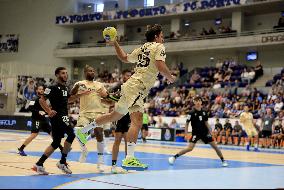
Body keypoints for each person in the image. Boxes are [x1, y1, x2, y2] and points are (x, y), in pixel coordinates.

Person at [75, 24, 176, 170]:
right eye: (162, 35)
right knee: (137, 121)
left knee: (114, 116)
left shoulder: (142, 48)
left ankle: (83, 130)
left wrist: (115, 42)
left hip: (131, 86)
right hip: (138, 87)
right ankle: (130, 158)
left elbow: (123, 57)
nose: (163, 38)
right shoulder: (158, 47)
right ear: (156, 37)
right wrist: (170, 77)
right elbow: (160, 65)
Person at [32, 67, 76, 175]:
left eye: (66, 73)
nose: (65, 75)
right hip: (59, 116)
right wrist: (49, 110)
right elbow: (41, 100)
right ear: (57, 75)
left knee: (56, 142)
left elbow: (69, 99)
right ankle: (62, 162)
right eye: (62, 73)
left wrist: (83, 94)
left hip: (61, 116)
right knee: (71, 134)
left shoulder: (65, 88)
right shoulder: (52, 87)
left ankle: (39, 164)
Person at [70, 65, 110, 172]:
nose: (92, 72)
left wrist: (107, 96)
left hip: (98, 112)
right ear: (85, 72)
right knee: (78, 131)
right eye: (90, 71)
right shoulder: (79, 84)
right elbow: (70, 98)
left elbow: (108, 99)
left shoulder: (99, 85)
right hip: (84, 113)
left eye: (93, 71)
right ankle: (84, 150)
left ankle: (100, 162)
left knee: (99, 134)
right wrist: (78, 92)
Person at [168, 97, 228, 167]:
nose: (198, 102)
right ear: (194, 102)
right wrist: (186, 134)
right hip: (195, 133)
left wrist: (210, 131)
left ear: (201, 102)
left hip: (205, 133)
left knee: (215, 147)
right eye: (196, 101)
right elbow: (187, 123)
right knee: (190, 148)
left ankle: (223, 160)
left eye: (199, 101)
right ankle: (174, 157)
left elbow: (206, 123)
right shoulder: (191, 113)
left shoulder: (204, 112)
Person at [18, 86, 63, 156]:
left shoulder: (44, 99)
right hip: (36, 119)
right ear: (36, 90)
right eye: (40, 89)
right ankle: (21, 149)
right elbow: (30, 108)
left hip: (44, 120)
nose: (41, 90)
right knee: (34, 135)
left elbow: (48, 107)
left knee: (52, 133)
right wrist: (38, 111)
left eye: (42, 89)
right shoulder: (33, 99)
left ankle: (61, 148)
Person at [110, 70, 132, 174]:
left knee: (128, 142)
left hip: (128, 116)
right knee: (117, 141)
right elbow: (109, 98)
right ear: (123, 76)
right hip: (118, 116)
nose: (129, 77)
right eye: (127, 75)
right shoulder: (117, 87)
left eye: (130, 76)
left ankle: (126, 165)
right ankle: (113, 165)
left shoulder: (132, 87)